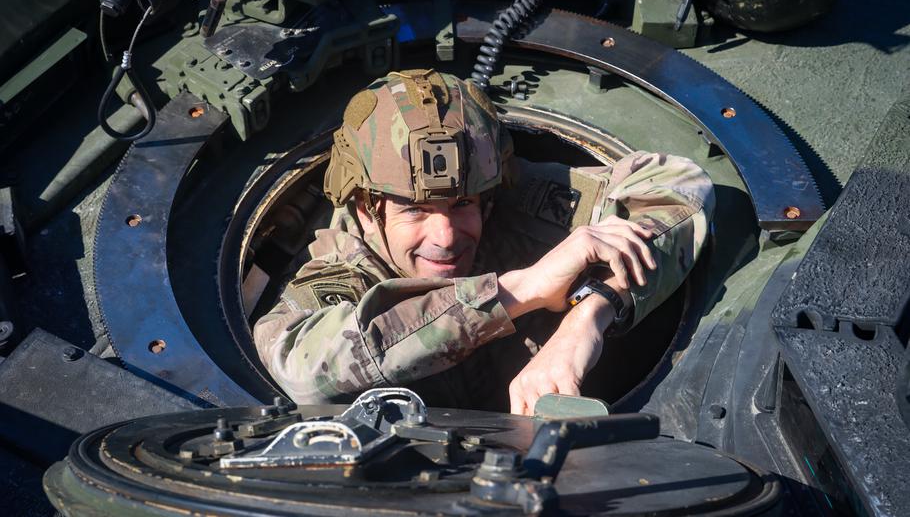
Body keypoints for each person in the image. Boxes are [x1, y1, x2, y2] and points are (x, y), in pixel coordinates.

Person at [253, 69, 714, 415]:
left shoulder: (511, 208)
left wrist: (589, 316)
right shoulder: (341, 271)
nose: (446, 236)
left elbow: (681, 186)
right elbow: (302, 369)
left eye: (462, 204)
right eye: (414, 210)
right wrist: (518, 292)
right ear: (365, 211)